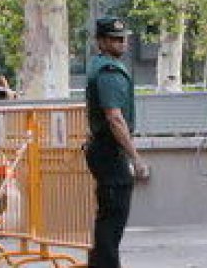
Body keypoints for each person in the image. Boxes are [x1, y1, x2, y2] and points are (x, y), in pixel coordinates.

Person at [84, 16, 149, 268]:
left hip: (104, 149)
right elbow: (115, 118)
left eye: (123, 38)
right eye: (114, 39)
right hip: (110, 151)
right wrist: (135, 157)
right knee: (112, 220)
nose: (121, 43)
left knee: (108, 219)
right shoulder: (109, 70)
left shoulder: (100, 65)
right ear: (100, 42)